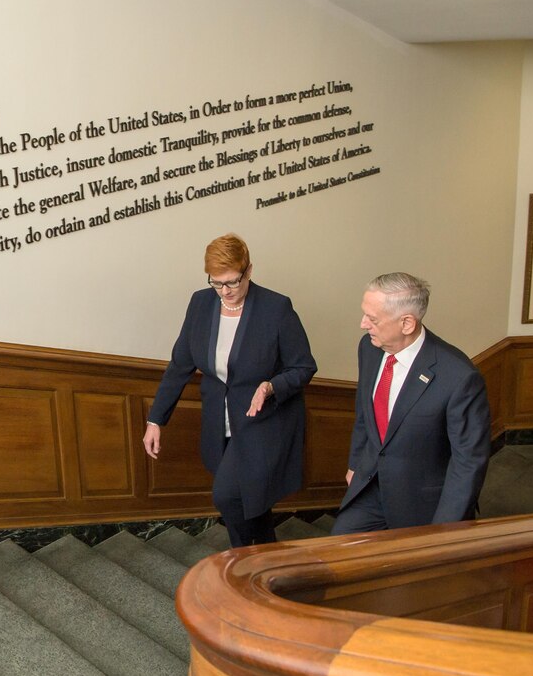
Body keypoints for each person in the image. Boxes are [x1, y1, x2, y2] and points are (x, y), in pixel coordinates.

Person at [143, 233, 317, 547]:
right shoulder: (200, 303)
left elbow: (304, 367)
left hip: (263, 422)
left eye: (233, 282)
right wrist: (156, 420)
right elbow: (180, 365)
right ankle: (268, 558)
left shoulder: (276, 308)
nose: (226, 291)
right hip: (220, 422)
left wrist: (270, 385)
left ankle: (242, 565)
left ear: (248, 271)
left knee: (227, 496)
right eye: (217, 283)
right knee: (252, 502)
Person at [331, 272, 490, 535]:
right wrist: (354, 465)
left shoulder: (459, 377)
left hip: (422, 504)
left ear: (406, 323)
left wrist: (443, 530)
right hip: (370, 486)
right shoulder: (369, 348)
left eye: (372, 319)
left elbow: (468, 463)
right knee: (339, 554)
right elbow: (364, 413)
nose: (363, 324)